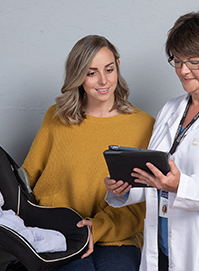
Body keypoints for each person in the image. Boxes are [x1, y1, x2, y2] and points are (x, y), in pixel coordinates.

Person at [104, 8, 199, 271]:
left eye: (194, 61)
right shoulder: (170, 110)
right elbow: (157, 177)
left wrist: (182, 185)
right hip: (161, 249)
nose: (184, 70)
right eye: (177, 60)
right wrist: (125, 187)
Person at [21, 34, 155, 271]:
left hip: (117, 235)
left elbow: (144, 202)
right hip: (59, 233)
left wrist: (97, 227)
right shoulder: (56, 117)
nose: (103, 81)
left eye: (109, 69)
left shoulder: (144, 125)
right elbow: (27, 176)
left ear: (118, 67)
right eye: (91, 73)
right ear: (78, 75)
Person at [0, 174, 67, 253]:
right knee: (29, 243)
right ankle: (32, 248)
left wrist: (11, 217)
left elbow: (6, 217)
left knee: (53, 237)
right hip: (9, 239)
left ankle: (57, 242)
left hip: (22, 230)